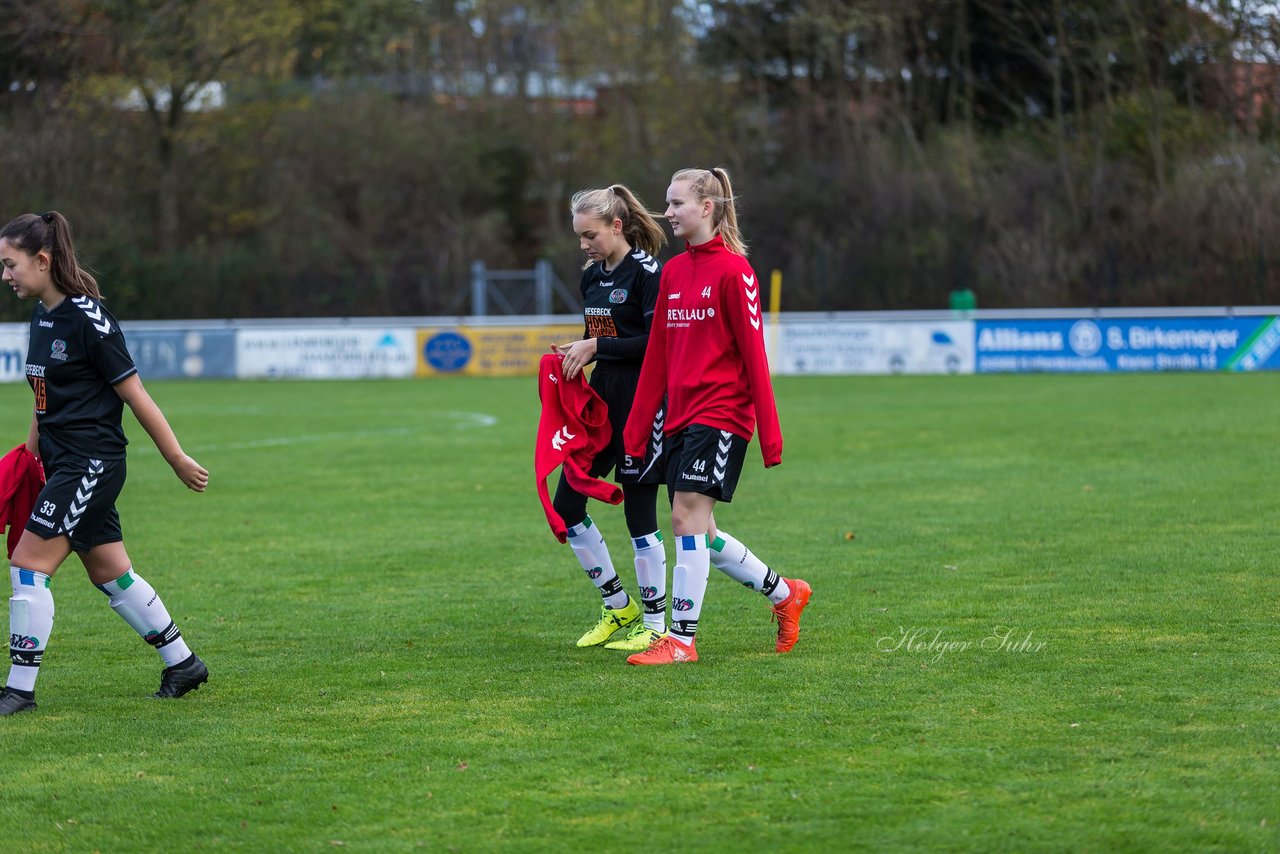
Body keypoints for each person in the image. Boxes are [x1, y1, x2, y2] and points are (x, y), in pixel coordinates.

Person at [1, 211, 209, 716]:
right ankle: (183, 663)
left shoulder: (89, 321)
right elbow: (41, 395)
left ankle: (19, 691)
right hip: (64, 463)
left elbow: (136, 395)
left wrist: (176, 458)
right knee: (111, 571)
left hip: (90, 464)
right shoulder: (42, 316)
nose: (5, 275)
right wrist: (31, 455)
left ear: (43, 261)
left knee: (28, 565)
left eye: (11, 264)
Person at [622, 168, 811, 665]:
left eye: (678, 203)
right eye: (667, 202)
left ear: (707, 208)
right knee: (700, 531)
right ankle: (785, 594)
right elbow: (659, 355)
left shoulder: (735, 272)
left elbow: (754, 355)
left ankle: (681, 641)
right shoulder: (673, 273)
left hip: (722, 413)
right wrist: (638, 427)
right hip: (681, 417)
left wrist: (769, 435)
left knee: (683, 517)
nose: (668, 212)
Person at [549, 185, 669, 652]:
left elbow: (658, 343)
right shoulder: (592, 277)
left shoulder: (647, 274)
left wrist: (596, 347)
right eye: (579, 237)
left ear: (616, 226)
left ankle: (656, 624)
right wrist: (575, 353)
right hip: (601, 407)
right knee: (567, 504)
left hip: (642, 404)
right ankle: (619, 606)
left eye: (590, 235)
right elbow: (596, 334)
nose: (584, 245)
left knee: (640, 516)